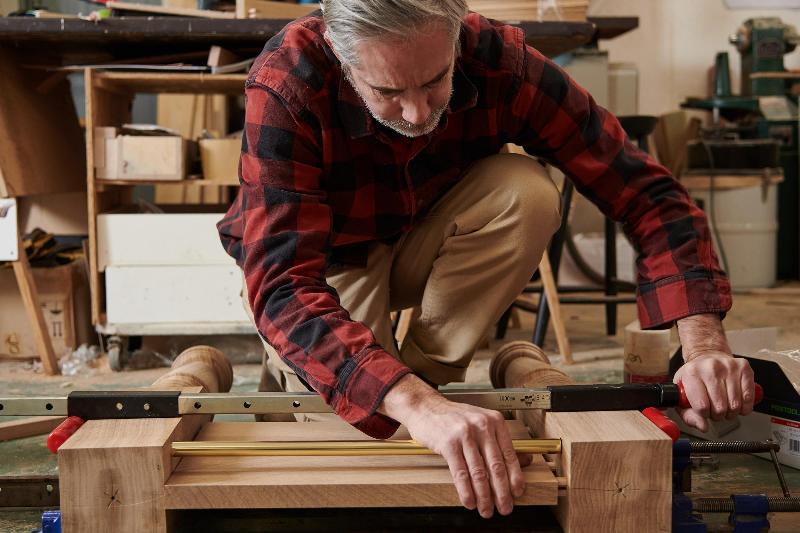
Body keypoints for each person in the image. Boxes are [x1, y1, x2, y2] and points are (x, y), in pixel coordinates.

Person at [218, 0, 755, 519]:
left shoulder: (500, 59)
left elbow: (646, 193)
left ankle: (432, 379)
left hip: (430, 237)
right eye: (387, 91)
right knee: (347, 421)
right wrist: (413, 406)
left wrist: (702, 346)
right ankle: (355, 380)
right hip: (329, 265)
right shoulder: (290, 79)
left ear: (456, 35)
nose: (417, 112)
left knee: (528, 190)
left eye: (434, 81)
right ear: (338, 49)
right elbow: (284, 285)